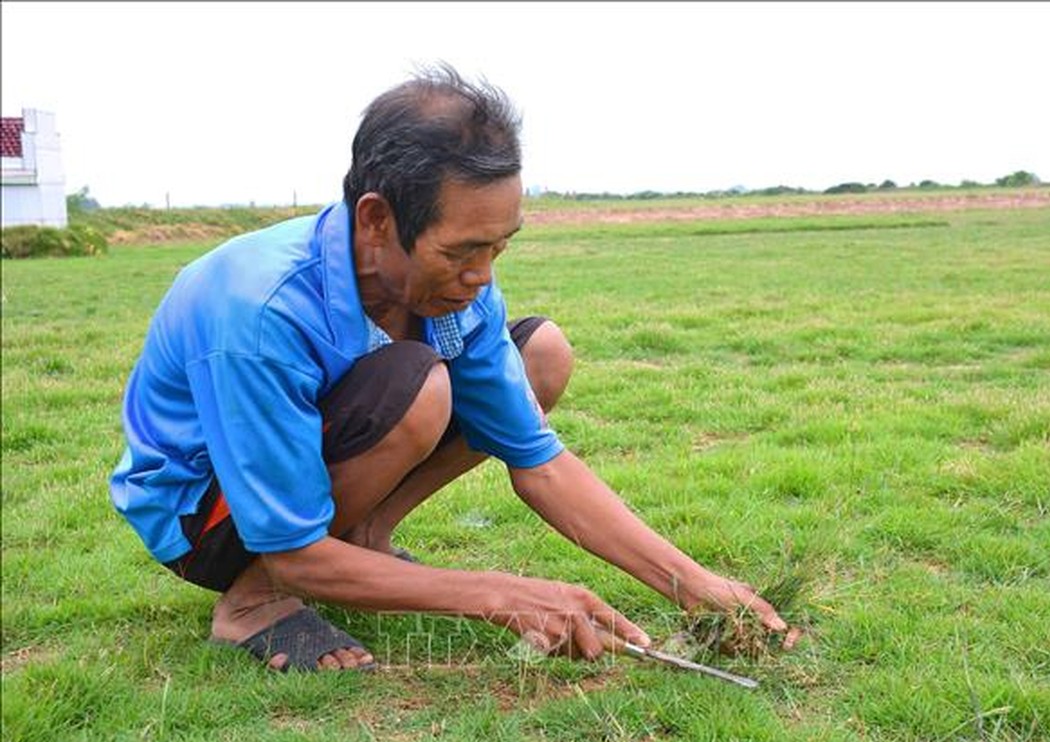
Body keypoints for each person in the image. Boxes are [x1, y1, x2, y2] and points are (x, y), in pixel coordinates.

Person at [110, 64, 792, 672]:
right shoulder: (257, 310)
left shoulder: (458, 291)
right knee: (422, 388)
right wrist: (501, 594)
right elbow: (289, 545)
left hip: (306, 482)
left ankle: (366, 539)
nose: (481, 277)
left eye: (500, 247)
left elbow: (540, 462)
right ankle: (253, 606)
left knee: (539, 355)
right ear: (376, 221)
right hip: (206, 518)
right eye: (463, 250)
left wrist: (695, 585)